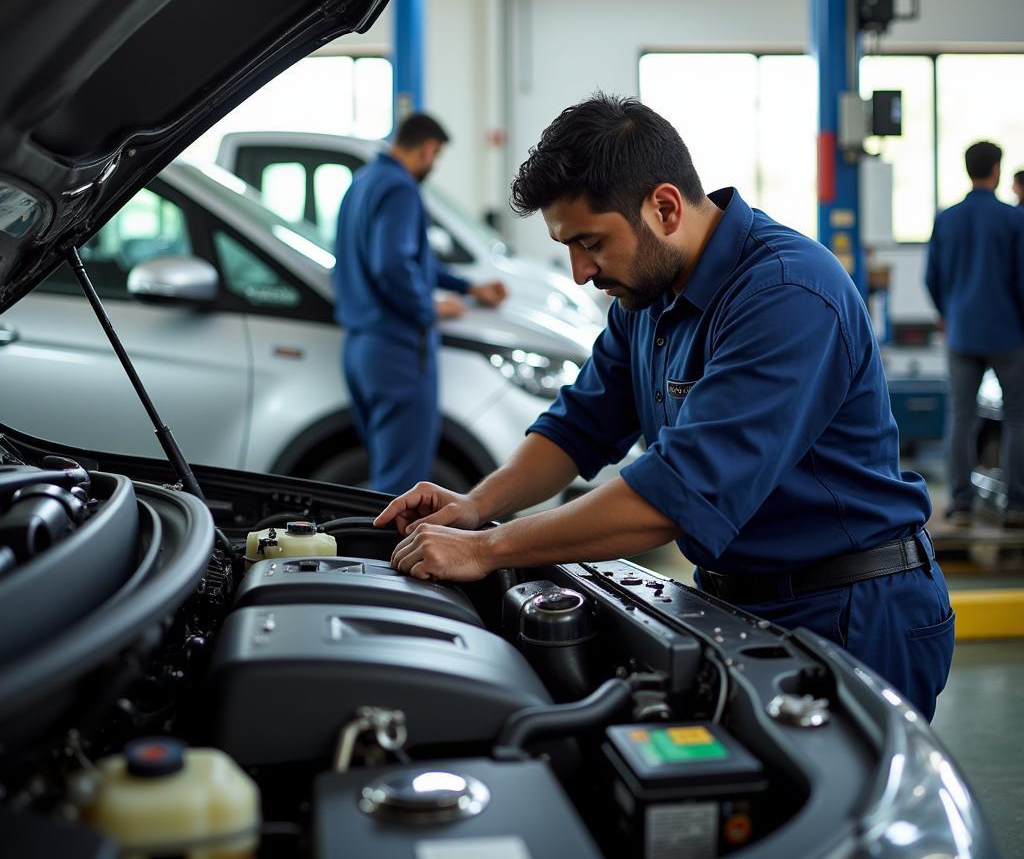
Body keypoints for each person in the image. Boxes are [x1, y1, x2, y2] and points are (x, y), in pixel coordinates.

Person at [375, 93, 954, 720]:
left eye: (590, 242)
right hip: (740, 603)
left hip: (851, 610)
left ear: (665, 207)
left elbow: (672, 498)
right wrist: (476, 506)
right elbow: (577, 426)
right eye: (568, 245)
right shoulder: (645, 298)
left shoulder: (787, 295)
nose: (578, 271)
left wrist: (487, 549)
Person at [333, 112, 507, 494]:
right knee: (403, 484)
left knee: (385, 470)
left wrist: (466, 287)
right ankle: (389, 555)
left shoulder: (362, 183)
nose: (434, 164)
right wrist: (429, 308)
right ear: (428, 150)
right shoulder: (401, 188)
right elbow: (392, 263)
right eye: (437, 156)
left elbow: (412, 260)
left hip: (360, 348)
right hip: (397, 350)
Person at [925, 141, 1024, 528]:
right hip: (1009, 334)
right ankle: (1016, 505)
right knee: (1016, 417)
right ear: (996, 170)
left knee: (961, 417)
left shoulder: (946, 218)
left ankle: (961, 504)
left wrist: (947, 313)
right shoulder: (1013, 219)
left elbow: (931, 276)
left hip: (962, 331)